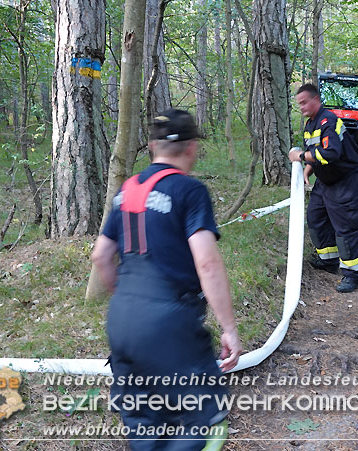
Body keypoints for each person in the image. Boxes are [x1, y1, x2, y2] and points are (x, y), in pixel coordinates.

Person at [91, 109, 242, 450]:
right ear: (192, 149)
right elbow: (207, 264)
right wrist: (229, 329)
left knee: (144, 425)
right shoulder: (190, 192)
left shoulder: (126, 191)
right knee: (207, 420)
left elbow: (101, 256)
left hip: (122, 321)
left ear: (151, 145)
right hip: (169, 324)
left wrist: (129, 298)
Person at [288, 83, 358, 293]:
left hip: (348, 179)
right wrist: (308, 168)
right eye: (299, 104)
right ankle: (329, 260)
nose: (302, 107)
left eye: (305, 102)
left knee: (345, 227)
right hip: (327, 181)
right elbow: (315, 152)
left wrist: (299, 156)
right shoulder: (310, 125)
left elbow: (330, 153)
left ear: (316, 99)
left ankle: (352, 275)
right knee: (316, 217)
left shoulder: (329, 121)